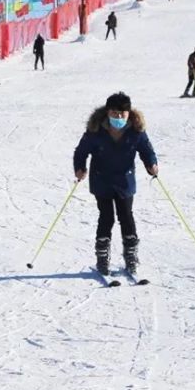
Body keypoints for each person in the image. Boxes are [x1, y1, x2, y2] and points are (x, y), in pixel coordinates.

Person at [73, 92, 158, 276]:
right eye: (114, 113)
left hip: (124, 181)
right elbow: (81, 151)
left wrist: (151, 164)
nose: (118, 117)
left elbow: (147, 150)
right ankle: (102, 258)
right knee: (107, 217)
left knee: (126, 216)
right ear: (107, 112)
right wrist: (80, 168)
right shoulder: (95, 130)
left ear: (129, 113)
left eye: (122, 113)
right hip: (101, 180)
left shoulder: (136, 131)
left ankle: (131, 257)